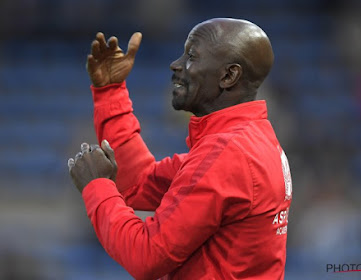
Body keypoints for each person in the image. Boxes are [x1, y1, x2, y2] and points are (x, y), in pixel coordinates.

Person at [68, 18, 292, 280]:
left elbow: (146, 256)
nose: (176, 64)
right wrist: (110, 92)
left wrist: (96, 186)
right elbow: (138, 183)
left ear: (228, 76)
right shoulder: (251, 138)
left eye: (191, 56)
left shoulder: (225, 154)